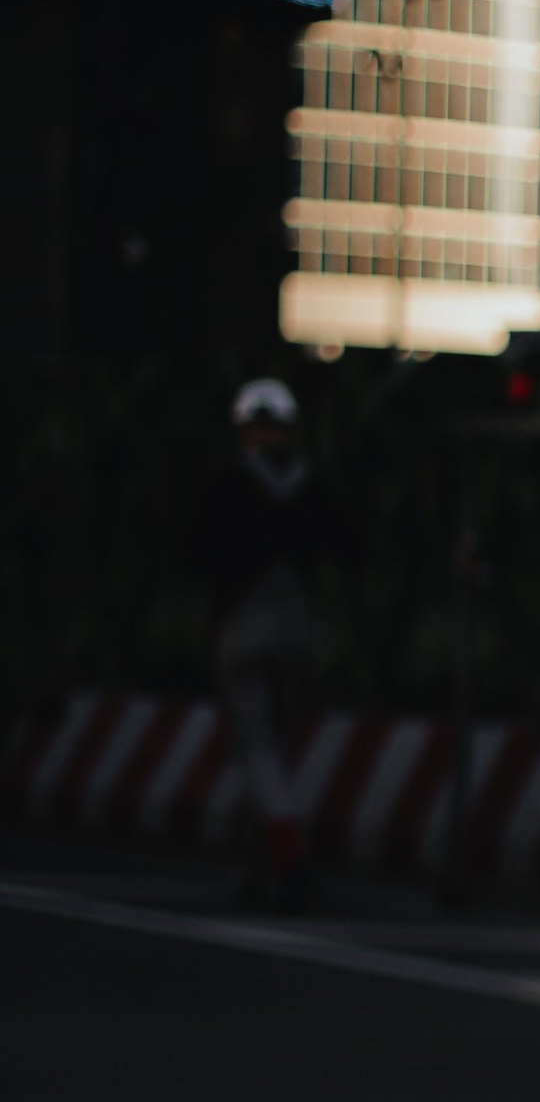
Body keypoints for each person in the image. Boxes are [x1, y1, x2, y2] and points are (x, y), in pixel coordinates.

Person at [193, 379, 344, 910]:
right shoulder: (312, 487)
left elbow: (202, 555)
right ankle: (260, 858)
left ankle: (286, 852)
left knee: (258, 746)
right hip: (297, 627)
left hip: (247, 627)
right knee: (274, 744)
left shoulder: (229, 486)